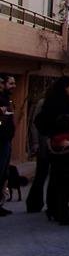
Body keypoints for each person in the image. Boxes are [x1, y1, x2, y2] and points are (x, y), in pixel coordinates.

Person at [27, 76, 69, 215]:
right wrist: (36, 143)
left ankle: (52, 206)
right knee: (42, 173)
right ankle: (35, 203)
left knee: (54, 175)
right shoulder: (46, 103)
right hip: (47, 142)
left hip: (58, 142)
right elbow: (36, 124)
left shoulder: (68, 103)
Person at [0, 73, 16, 217]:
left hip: (6, 140)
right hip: (1, 141)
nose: (13, 86)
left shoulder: (7, 99)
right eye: (10, 83)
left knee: (3, 173)